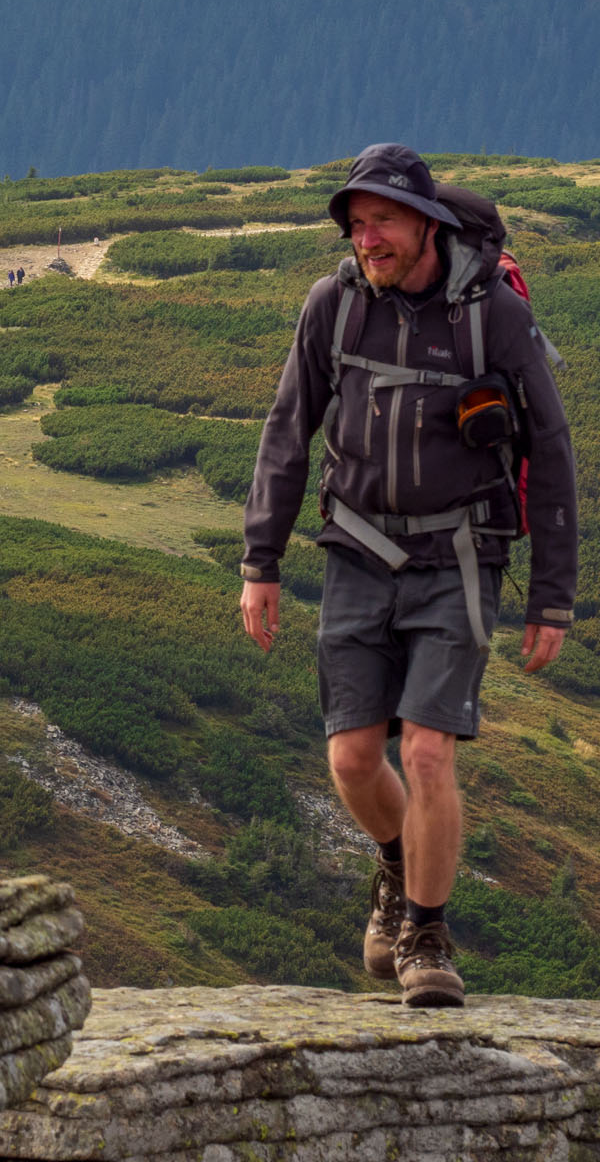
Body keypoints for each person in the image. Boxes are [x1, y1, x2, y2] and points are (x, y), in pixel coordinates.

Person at [237, 143, 577, 1007]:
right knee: (354, 760)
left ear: (426, 222)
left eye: (383, 220)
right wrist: (260, 562)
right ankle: (396, 862)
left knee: (427, 752)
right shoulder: (333, 307)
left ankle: (427, 932)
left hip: (458, 557)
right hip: (355, 551)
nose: (368, 239)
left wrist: (553, 595)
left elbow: (552, 447)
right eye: (357, 225)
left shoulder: (490, 314)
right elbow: (288, 432)